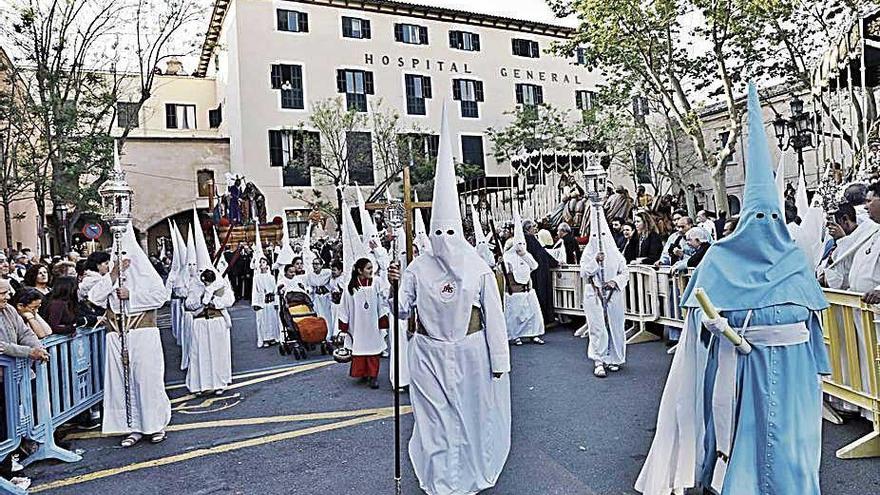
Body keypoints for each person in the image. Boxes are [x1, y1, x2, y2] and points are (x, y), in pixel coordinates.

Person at [636, 84, 830, 495]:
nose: (763, 225)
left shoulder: (795, 260)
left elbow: (813, 323)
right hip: (741, 373)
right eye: (755, 216)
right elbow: (697, 333)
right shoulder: (719, 260)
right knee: (745, 446)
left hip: (794, 378)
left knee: (791, 451)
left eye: (769, 216)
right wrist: (718, 327)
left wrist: (818, 365)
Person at [387, 105, 510, 495]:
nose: (443, 240)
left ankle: (470, 473)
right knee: (434, 420)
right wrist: (392, 285)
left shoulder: (476, 268)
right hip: (427, 352)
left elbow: (494, 317)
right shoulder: (417, 268)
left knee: (471, 417)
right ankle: (443, 482)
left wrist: (499, 361)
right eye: (436, 232)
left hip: (471, 352)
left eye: (448, 232)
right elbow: (402, 310)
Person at [88, 224, 171, 447]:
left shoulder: (147, 275)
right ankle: (130, 427)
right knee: (122, 382)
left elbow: (160, 297)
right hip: (116, 336)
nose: (121, 259)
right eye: (117, 255)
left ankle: (154, 425)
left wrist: (131, 295)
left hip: (143, 334)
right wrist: (114, 275)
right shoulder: (110, 277)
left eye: (125, 255)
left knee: (146, 379)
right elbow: (95, 298)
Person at [577, 207, 628, 378]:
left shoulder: (616, 255)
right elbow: (584, 272)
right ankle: (599, 360)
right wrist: (595, 262)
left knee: (615, 325)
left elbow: (624, 272)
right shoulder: (587, 254)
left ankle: (614, 358)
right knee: (597, 326)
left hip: (613, 293)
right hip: (594, 293)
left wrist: (615, 282)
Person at [337, 258, 388, 389]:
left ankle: (373, 376)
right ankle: (364, 373)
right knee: (360, 349)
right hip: (357, 324)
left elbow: (381, 302)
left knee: (373, 349)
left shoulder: (376, 282)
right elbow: (344, 306)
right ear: (360, 270)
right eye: (368, 268)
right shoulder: (351, 286)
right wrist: (344, 324)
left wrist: (382, 320)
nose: (372, 271)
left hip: (372, 323)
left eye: (372, 268)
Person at [185, 268, 234, 395]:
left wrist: (213, 301)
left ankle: (219, 383)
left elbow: (229, 300)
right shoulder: (194, 286)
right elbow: (189, 304)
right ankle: (199, 385)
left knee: (218, 353)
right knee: (199, 353)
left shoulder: (221, 284)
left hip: (216, 320)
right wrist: (201, 299)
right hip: (200, 322)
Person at [503, 215, 545, 346]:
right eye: (519, 244)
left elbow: (534, 265)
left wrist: (524, 255)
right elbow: (503, 270)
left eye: (523, 243)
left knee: (533, 314)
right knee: (515, 316)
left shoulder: (527, 255)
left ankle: (534, 334)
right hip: (515, 291)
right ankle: (516, 336)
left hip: (528, 289)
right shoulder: (508, 256)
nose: (521, 246)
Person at [523, 218, 558, 326]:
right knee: (542, 294)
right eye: (533, 227)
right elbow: (542, 254)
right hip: (539, 272)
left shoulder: (527, 239)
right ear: (529, 229)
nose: (535, 229)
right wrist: (555, 263)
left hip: (535, 271)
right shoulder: (530, 239)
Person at [251, 256, 281, 348]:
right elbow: (255, 291)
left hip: (270, 301)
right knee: (263, 321)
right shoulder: (256, 277)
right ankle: (265, 339)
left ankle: (273, 337)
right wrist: (255, 303)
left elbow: (275, 290)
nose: (261, 264)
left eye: (263, 262)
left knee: (272, 320)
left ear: (267, 265)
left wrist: (276, 302)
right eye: (260, 262)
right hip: (262, 302)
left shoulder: (271, 277)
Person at [306, 257, 334, 340]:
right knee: (319, 316)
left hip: (327, 298)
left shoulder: (328, 272)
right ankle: (321, 335)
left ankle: (330, 334)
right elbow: (310, 287)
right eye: (313, 264)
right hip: (317, 298)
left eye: (317, 264)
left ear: (322, 265)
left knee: (329, 316)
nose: (315, 266)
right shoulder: (310, 275)